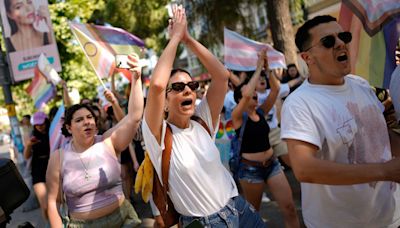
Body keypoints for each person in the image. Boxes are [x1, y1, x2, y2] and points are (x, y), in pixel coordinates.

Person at [142, 5, 265, 227]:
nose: (187, 90)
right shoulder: (157, 134)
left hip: (238, 209)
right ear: (165, 104)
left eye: (191, 85)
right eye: (178, 87)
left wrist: (188, 39)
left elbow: (221, 76)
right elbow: (157, 85)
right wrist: (175, 39)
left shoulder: (202, 121)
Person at [281, 15, 400, 228]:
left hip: (391, 216)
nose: (340, 43)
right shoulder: (299, 103)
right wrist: (385, 171)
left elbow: (381, 136)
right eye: (328, 41)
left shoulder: (361, 84)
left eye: (343, 36)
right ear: (307, 58)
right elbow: (304, 168)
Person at [46, 53, 143, 227]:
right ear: (69, 127)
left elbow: (134, 117)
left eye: (90, 117)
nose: (87, 122)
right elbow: (53, 202)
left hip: (123, 220)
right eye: (79, 120)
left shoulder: (108, 142)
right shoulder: (58, 157)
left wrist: (136, 78)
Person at [232, 50, 300, 228]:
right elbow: (246, 94)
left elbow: (276, 89)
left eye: (255, 93)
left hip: (272, 165)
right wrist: (258, 68)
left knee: (290, 208)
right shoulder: (237, 116)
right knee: (253, 216)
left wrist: (268, 70)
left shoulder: (261, 111)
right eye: (250, 93)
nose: (254, 95)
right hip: (250, 171)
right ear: (239, 99)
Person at [23, 111, 50, 221]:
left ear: (46, 122)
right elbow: (26, 156)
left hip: (52, 168)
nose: (39, 126)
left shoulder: (52, 132)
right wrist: (29, 145)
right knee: (44, 205)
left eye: (42, 123)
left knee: (55, 203)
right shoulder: (31, 135)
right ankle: (48, 224)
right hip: (37, 170)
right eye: (37, 124)